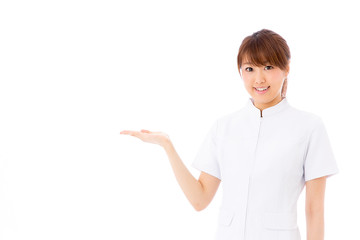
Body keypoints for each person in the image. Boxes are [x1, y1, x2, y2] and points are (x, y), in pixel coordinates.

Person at [120, 29, 339, 240]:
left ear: (287, 68)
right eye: (250, 69)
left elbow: (314, 210)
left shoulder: (308, 127)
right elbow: (199, 199)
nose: (259, 79)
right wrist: (167, 146)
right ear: (240, 72)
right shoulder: (224, 127)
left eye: (269, 67)